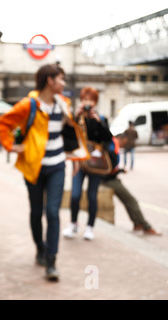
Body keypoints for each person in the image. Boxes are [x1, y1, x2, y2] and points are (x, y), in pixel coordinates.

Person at [0, 63, 83, 281]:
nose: (64, 83)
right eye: (60, 79)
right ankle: (40, 249)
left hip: (57, 165)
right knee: (36, 212)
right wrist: (11, 146)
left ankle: (52, 261)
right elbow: (3, 123)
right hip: (33, 166)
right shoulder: (29, 105)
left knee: (52, 213)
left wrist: (74, 158)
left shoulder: (64, 104)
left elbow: (68, 133)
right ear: (49, 81)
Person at [63, 87, 113, 241]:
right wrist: (75, 116)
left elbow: (108, 138)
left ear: (95, 103)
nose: (87, 104)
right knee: (75, 194)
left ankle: (90, 227)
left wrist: (98, 122)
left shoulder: (101, 118)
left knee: (92, 196)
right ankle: (73, 223)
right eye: (85, 100)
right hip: (79, 162)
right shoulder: (76, 118)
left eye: (90, 101)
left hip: (96, 163)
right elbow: (67, 134)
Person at [101, 134, 161, 235]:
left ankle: (138, 224)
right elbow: (109, 165)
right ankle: (145, 226)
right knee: (131, 201)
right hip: (108, 180)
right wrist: (117, 171)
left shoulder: (110, 143)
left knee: (129, 201)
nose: (125, 144)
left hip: (107, 178)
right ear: (122, 139)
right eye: (124, 142)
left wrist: (119, 170)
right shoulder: (113, 144)